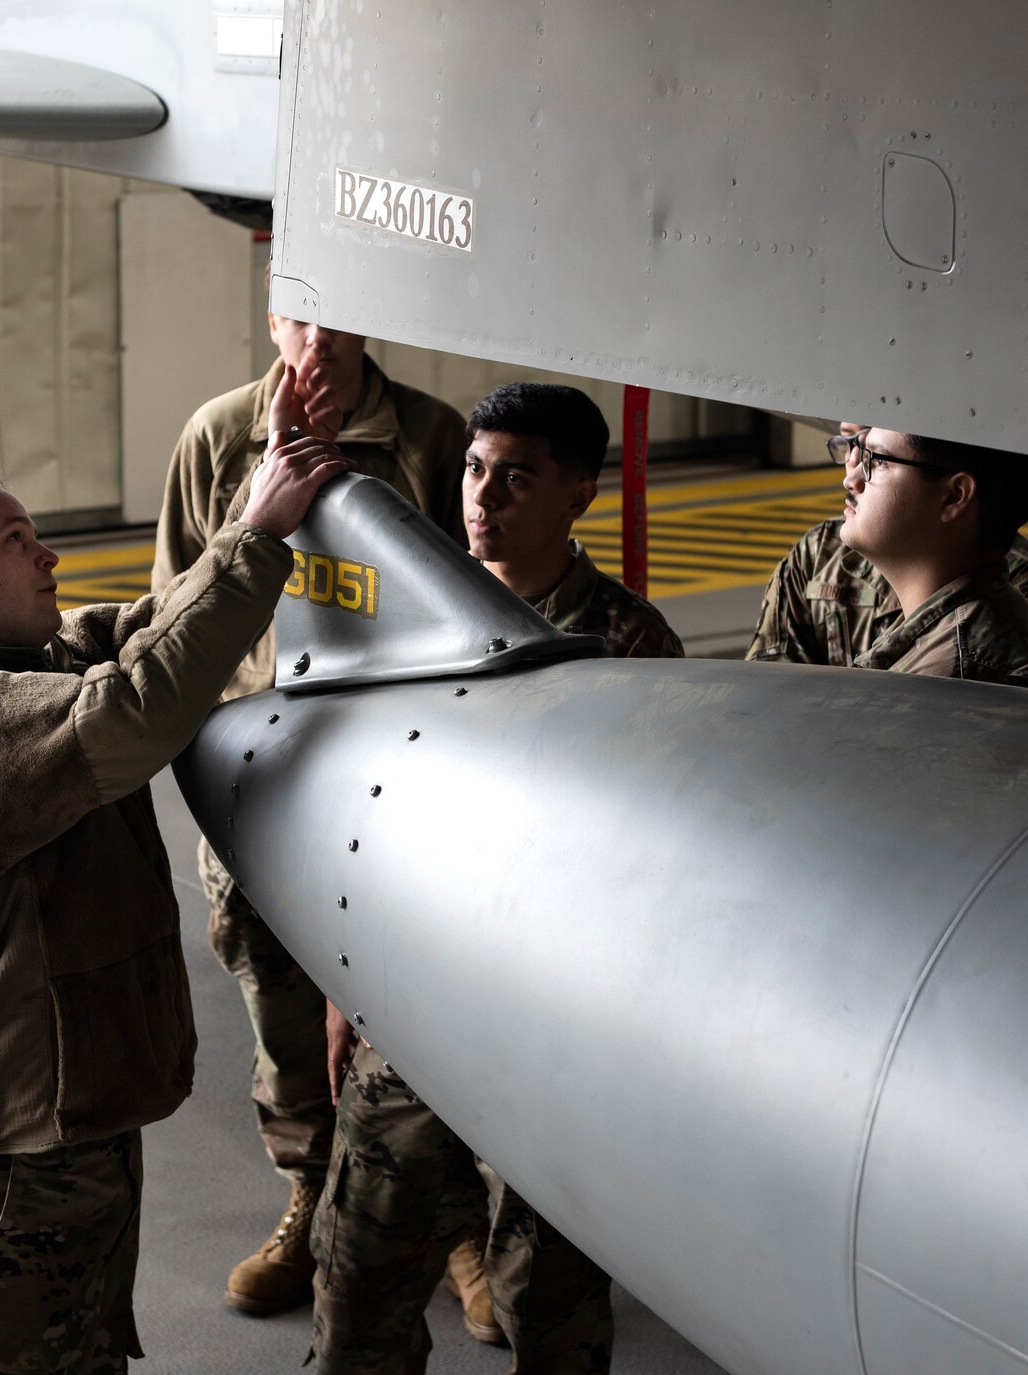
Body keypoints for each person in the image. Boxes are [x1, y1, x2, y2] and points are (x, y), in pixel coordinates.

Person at [0, 388, 344, 1374]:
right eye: (17, 542)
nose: (48, 559)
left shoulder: (28, 661)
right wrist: (254, 535)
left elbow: (155, 625)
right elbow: (137, 705)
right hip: (1, 1166)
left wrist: (261, 492)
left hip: (64, 1139)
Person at [312, 383, 681, 1374]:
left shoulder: (629, 646)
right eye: (475, 470)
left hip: (544, 1019)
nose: (483, 495)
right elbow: (369, 803)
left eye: (516, 476)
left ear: (578, 493)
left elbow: (646, 860)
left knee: (549, 1290)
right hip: (408, 987)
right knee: (360, 1272)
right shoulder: (411, 620)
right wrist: (346, 979)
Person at [152, 311, 475, 1318]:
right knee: (281, 1012)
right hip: (265, 778)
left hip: (398, 788)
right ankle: (308, 1194)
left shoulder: (428, 437)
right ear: (269, 314)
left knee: (421, 1010)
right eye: (298, 314)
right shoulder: (218, 436)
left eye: (339, 317)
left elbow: (469, 598)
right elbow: (175, 602)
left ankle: (454, 1223)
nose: (317, 338)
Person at [749, 428, 1028, 690]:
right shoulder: (970, 633)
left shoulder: (955, 685)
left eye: (877, 460)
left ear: (954, 496)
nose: (852, 479)